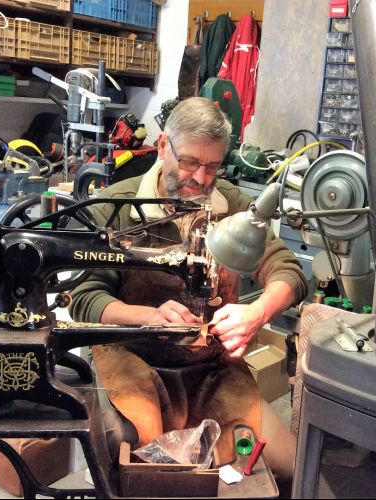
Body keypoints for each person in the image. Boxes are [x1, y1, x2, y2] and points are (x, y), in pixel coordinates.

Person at [69, 97, 308, 482]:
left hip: (210, 368)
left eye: (212, 166)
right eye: (190, 162)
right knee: (131, 456)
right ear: (163, 146)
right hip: (132, 358)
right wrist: (148, 317)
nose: (200, 178)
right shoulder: (116, 208)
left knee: (291, 464)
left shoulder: (232, 205)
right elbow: (84, 298)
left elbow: (288, 271)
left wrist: (256, 313)